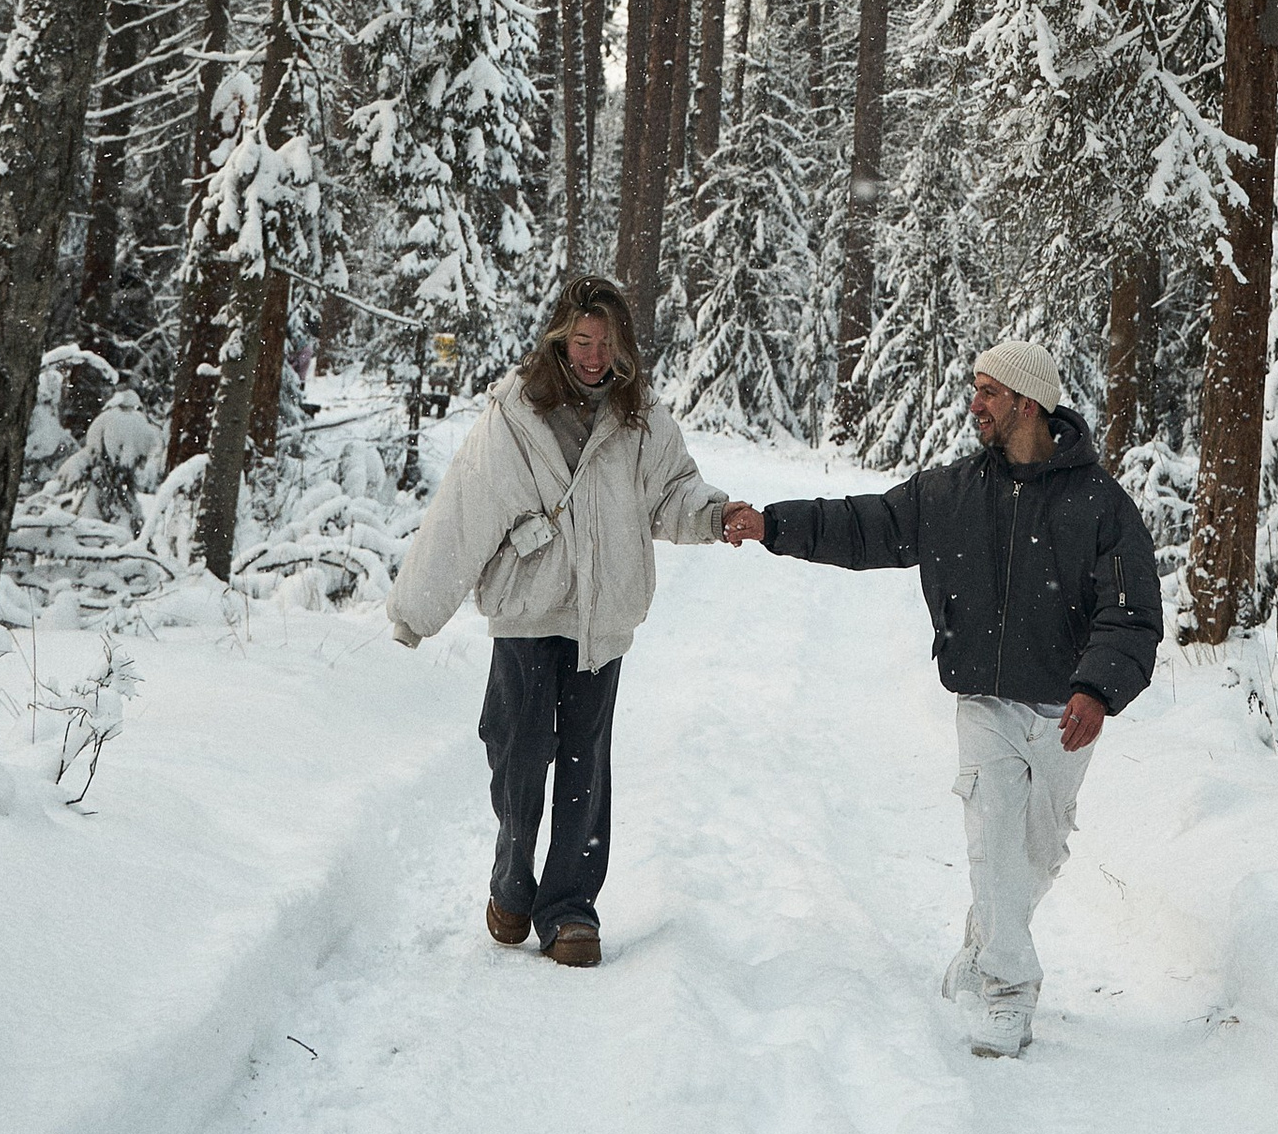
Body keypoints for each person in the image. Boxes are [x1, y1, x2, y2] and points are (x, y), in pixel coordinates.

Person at [723, 337, 1162, 1055]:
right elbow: (866, 525)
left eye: (988, 391)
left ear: (1027, 402)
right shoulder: (956, 493)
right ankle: (1008, 991)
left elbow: (1132, 612)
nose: (975, 404)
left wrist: (1096, 689)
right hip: (985, 699)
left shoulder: (1100, 505)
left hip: (1062, 710)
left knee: (1037, 854)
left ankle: (982, 941)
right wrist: (773, 525)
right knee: (992, 839)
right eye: (974, 388)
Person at [388, 275, 730, 969]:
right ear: (559, 339)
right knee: (516, 751)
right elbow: (463, 510)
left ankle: (570, 909)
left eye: (607, 342)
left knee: (584, 764)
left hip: (600, 617)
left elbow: (674, 493)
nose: (595, 356)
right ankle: (512, 879)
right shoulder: (515, 415)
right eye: (582, 340)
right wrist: (415, 609)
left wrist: (719, 515)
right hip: (525, 609)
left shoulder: (643, 420)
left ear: (624, 346)